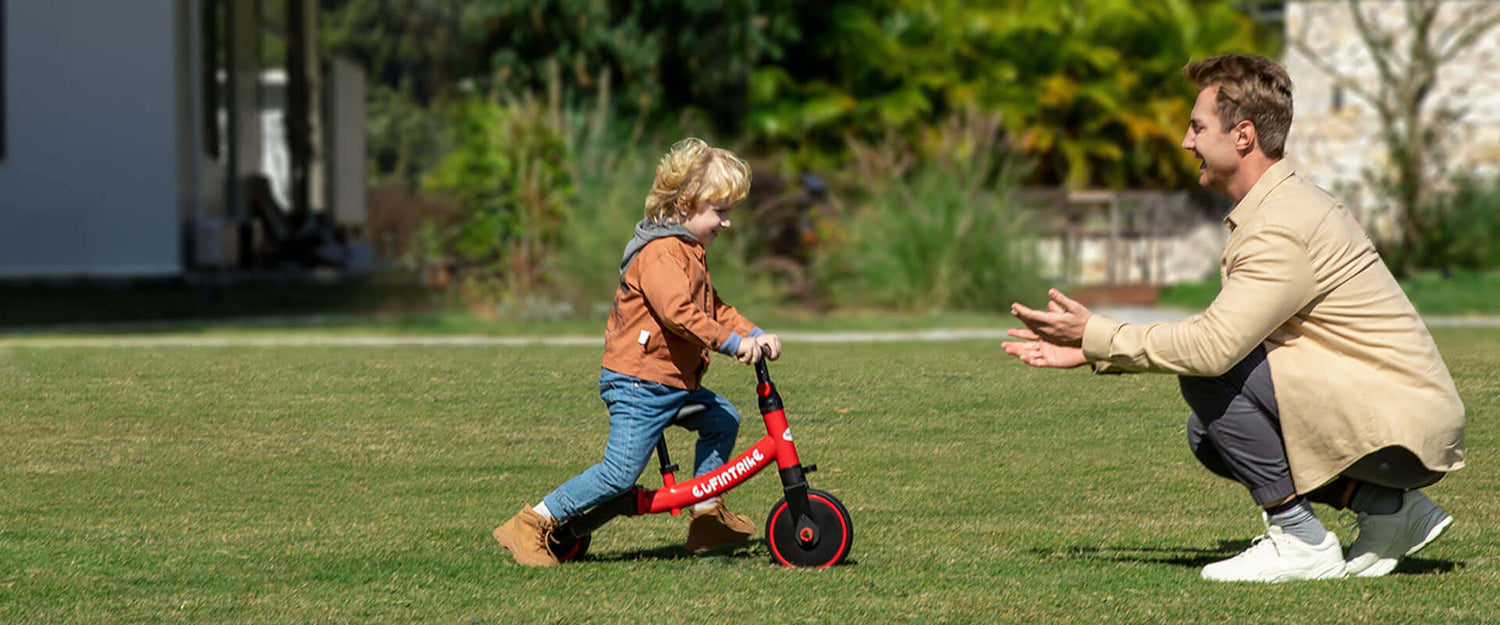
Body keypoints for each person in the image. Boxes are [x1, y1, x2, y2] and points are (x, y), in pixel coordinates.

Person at [1001, 54, 1464, 583]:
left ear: (1242, 136)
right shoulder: (1283, 206)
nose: (1186, 140)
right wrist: (1092, 349)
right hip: (1401, 420)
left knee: (1212, 373)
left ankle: (1300, 542)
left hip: (1398, 429)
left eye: (1197, 127)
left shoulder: (1280, 224)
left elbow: (1213, 347)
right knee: (1211, 434)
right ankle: (1387, 509)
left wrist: (1095, 335)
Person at [493, 138, 782, 567]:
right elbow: (678, 312)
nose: (726, 223)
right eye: (719, 212)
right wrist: (734, 344)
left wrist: (753, 331)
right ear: (686, 204)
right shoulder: (661, 253)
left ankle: (705, 513)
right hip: (639, 382)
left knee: (723, 420)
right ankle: (532, 522)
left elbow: (714, 307)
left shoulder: (690, 252)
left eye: (728, 213)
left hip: (672, 382)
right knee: (620, 473)